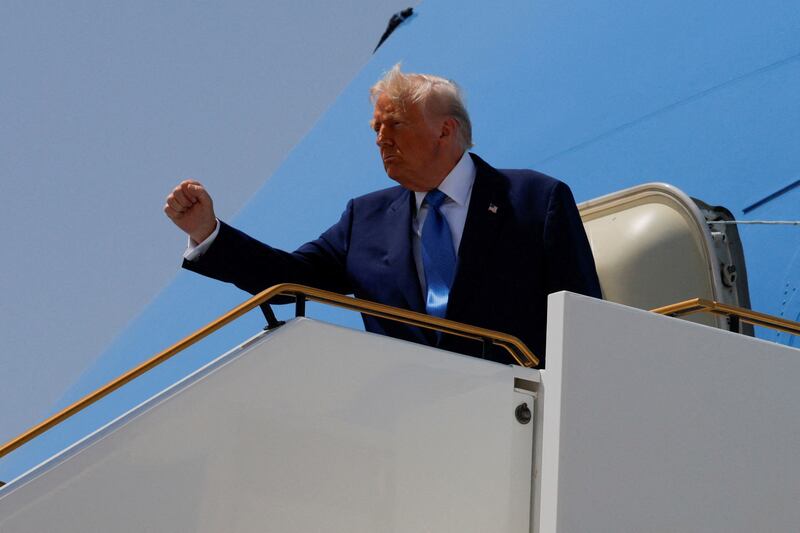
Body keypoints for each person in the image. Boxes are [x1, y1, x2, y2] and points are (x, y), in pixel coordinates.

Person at [164, 65, 601, 368]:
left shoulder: (533, 199)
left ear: (445, 130)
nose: (380, 138)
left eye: (394, 124)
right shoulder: (364, 219)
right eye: (375, 128)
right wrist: (207, 232)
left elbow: (584, 325)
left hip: (524, 419)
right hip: (408, 427)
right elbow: (288, 282)